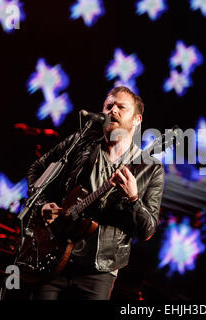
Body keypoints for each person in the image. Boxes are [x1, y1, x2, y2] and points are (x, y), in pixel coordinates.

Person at [26, 86, 165, 300]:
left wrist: (133, 199)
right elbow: (37, 169)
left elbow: (147, 229)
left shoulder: (150, 168)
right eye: (109, 106)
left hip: (99, 271)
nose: (113, 111)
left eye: (121, 107)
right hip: (51, 256)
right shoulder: (79, 144)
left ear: (137, 120)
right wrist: (42, 204)